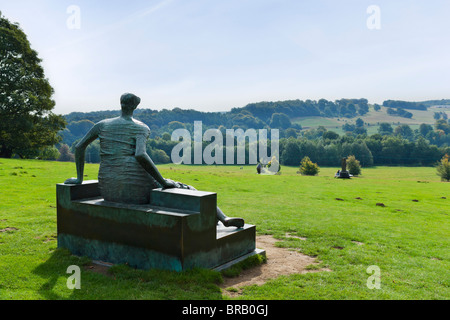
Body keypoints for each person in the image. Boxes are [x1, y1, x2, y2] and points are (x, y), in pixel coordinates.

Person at [65, 93, 244, 228]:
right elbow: (141, 155)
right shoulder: (140, 127)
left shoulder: (102, 125)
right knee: (187, 189)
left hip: (108, 188)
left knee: (173, 188)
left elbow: (79, 147)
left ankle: (221, 219)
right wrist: (163, 181)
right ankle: (224, 219)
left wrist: (79, 179)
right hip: (135, 189)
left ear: (120, 104)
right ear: (135, 107)